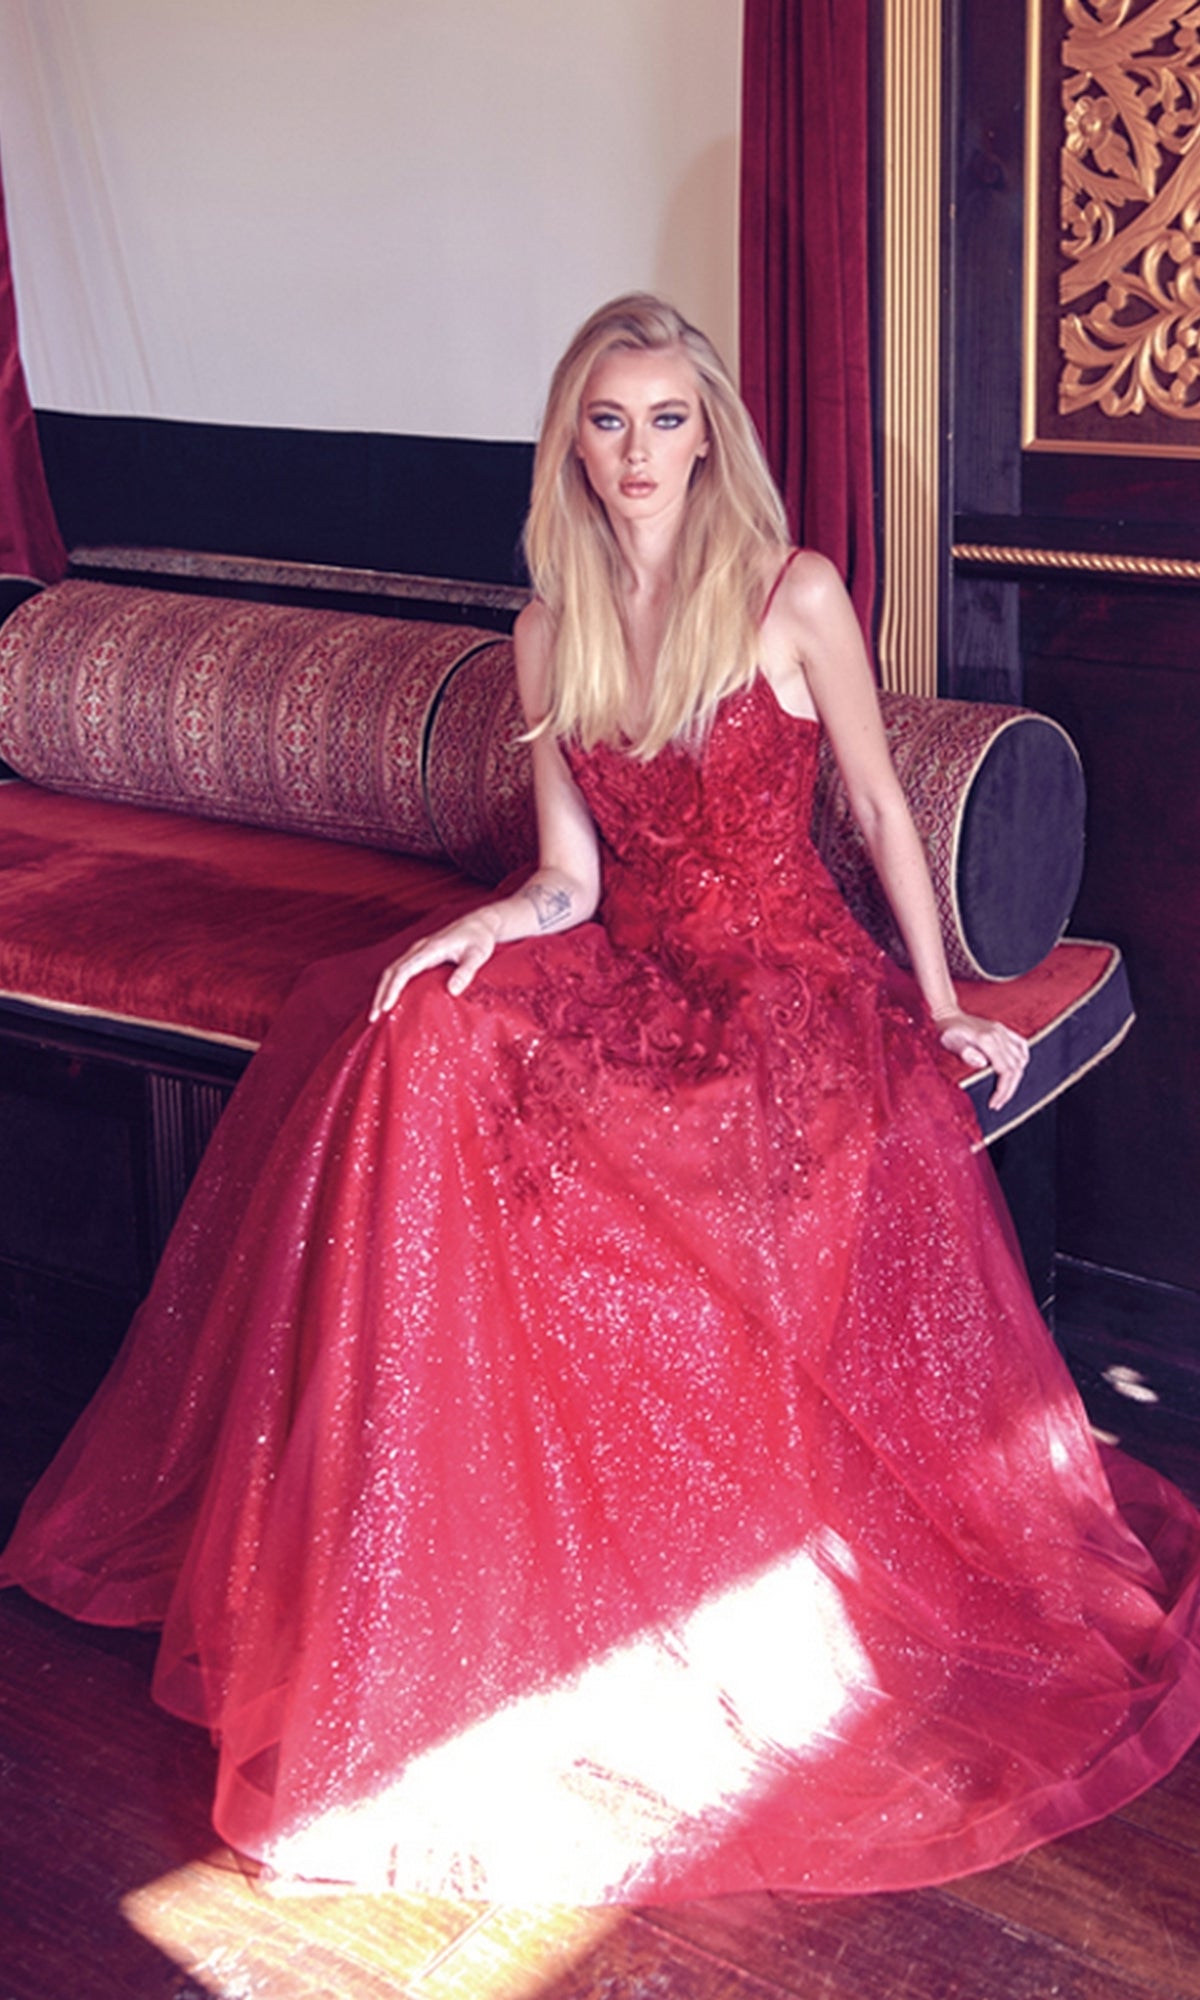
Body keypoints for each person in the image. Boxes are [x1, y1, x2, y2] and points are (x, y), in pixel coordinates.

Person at [3, 294, 1199, 1906]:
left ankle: (696, 1585)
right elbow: (571, 875)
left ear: (711, 436)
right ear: (574, 439)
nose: (639, 454)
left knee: (658, 1145)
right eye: (609, 422)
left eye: (666, 421)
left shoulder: (791, 595)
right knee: (415, 1041)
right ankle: (434, 1571)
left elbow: (876, 814)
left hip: (788, 988)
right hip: (629, 965)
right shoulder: (548, 630)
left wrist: (941, 1004)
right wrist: (487, 923)